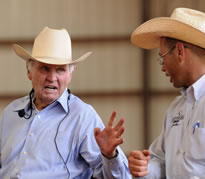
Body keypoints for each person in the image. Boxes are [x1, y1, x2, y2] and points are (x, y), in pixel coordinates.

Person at [128, 7, 205, 178]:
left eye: (163, 57)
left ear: (179, 51)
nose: (162, 67)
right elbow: (162, 162)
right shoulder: (177, 107)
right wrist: (145, 168)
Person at [0, 27, 132, 179]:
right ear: (29, 71)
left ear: (70, 74)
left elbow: (121, 178)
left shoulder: (82, 116)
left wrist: (109, 156)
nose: (52, 77)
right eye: (45, 68)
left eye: (60, 70)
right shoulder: (11, 112)